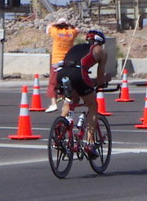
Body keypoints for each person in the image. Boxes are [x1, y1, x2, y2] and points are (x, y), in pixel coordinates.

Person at [56, 30, 111, 158]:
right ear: (101, 42)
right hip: (79, 74)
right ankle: (89, 143)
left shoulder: (76, 47)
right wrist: (107, 79)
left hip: (62, 73)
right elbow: (100, 79)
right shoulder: (100, 51)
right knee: (92, 105)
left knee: (70, 101)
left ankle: (60, 131)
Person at [45, 18, 79, 113]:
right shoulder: (71, 32)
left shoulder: (56, 31)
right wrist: (69, 24)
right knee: (68, 83)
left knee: (53, 83)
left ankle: (53, 103)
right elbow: (77, 29)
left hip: (57, 61)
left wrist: (56, 23)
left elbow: (48, 27)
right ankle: (66, 102)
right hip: (68, 61)